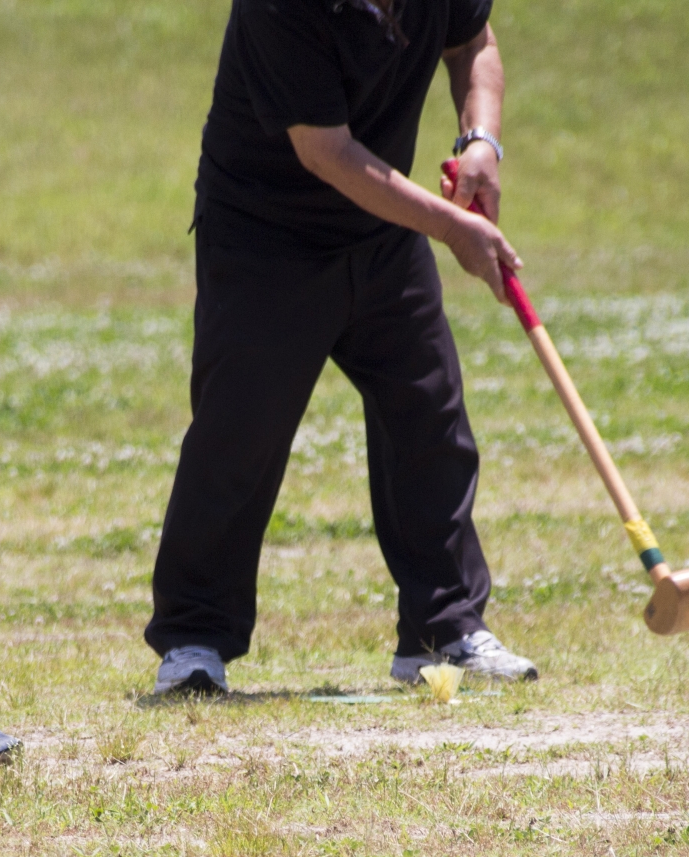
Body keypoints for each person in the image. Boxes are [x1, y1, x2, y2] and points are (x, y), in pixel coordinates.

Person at [146, 0, 539, 696]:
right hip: (266, 230)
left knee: (430, 420)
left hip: (382, 230)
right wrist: (451, 227)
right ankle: (195, 638)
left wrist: (481, 140)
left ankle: (442, 630)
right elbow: (326, 153)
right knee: (240, 435)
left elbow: (474, 43)